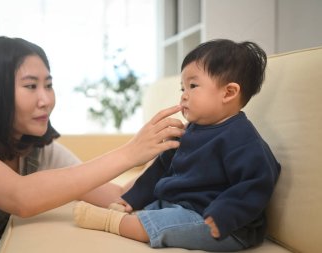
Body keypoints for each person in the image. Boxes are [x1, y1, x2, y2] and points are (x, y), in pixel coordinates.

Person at [0, 36, 185, 252]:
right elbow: (19, 196)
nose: (46, 99)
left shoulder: (39, 150)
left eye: (48, 85)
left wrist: (166, 155)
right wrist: (130, 152)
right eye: (30, 86)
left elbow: (119, 195)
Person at [73, 39, 281, 252]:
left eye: (193, 86)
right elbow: (160, 169)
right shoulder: (189, 130)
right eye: (183, 87)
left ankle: (111, 223)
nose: (183, 95)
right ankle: (132, 214)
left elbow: (257, 182)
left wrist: (224, 213)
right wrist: (133, 198)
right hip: (181, 205)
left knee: (156, 225)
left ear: (228, 92)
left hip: (220, 222)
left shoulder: (242, 138)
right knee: (155, 209)